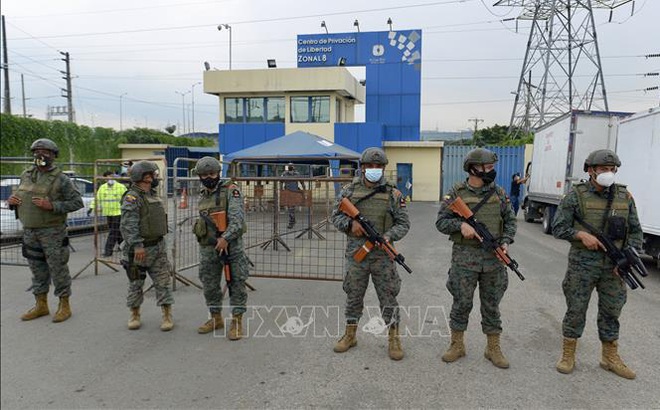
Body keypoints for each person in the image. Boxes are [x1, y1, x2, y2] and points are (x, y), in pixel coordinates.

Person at [551, 149, 642, 379]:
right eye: (603, 169)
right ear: (590, 170)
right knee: (576, 309)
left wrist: (626, 258)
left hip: (614, 266)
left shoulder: (624, 196)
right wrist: (581, 235)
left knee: (612, 310)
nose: (608, 174)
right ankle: (568, 354)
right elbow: (558, 227)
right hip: (583, 265)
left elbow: (635, 231)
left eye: (612, 170)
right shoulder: (576, 195)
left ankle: (609, 357)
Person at [435, 148, 517, 369]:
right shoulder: (457, 193)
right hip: (465, 260)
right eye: (487, 168)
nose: (491, 171)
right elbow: (441, 222)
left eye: (492, 167)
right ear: (473, 168)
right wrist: (460, 225)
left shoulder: (499, 193)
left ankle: (493, 348)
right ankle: (457, 345)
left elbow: (510, 221)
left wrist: (506, 241)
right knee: (461, 303)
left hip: (493, 260)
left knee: (492, 305)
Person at [331, 147, 410, 360]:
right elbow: (335, 216)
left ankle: (394, 338)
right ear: (363, 168)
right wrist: (350, 225)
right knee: (353, 295)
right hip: (357, 253)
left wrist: (388, 236)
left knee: (388, 297)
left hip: (383, 256)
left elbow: (403, 224)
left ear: (383, 169)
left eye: (378, 166)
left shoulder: (393, 194)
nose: (374, 169)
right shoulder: (348, 191)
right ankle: (350, 334)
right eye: (370, 166)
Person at [7, 138, 84, 323]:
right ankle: (41, 305)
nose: (40, 155)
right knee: (37, 270)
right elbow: (19, 196)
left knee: (58, 270)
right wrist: (12, 202)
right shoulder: (26, 175)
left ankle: (64, 305)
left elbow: (77, 202)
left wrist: (52, 205)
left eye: (45, 152)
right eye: (36, 151)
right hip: (30, 231)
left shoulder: (61, 179)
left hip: (53, 232)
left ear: (53, 156)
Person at [192, 157, 250, 340]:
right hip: (208, 248)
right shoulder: (203, 193)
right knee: (209, 285)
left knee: (236, 284)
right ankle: (216, 318)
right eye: (205, 174)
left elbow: (237, 220)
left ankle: (237, 321)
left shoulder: (231, 190)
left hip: (230, 247)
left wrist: (226, 238)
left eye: (212, 173)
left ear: (218, 173)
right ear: (199, 176)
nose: (209, 177)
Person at [120, 160, 174, 331]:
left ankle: (167, 315)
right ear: (145, 176)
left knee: (163, 282)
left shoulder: (152, 194)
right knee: (136, 283)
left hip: (157, 247)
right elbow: (129, 224)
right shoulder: (132, 197)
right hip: (140, 250)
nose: (156, 177)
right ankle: (134, 314)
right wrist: (137, 245)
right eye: (153, 174)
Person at [89, 170, 127, 257]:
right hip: (108, 213)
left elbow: (126, 198)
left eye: (112, 176)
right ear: (105, 179)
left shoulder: (120, 186)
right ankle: (124, 246)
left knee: (113, 232)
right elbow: (97, 198)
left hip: (118, 212)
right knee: (117, 232)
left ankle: (108, 251)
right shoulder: (102, 188)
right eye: (108, 176)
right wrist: (92, 207)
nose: (110, 178)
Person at [281, 163, 303, 229]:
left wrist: (304, 189)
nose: (290, 167)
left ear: (294, 167)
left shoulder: (297, 174)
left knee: (291, 208)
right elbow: (281, 182)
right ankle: (292, 221)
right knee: (290, 208)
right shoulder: (284, 174)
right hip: (287, 192)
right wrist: (281, 190)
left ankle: (291, 222)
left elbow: (302, 182)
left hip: (294, 192)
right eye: (289, 166)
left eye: (291, 166)